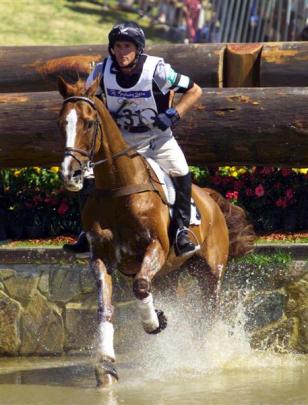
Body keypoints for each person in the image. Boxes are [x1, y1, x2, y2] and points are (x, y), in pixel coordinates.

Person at [63, 21, 202, 257]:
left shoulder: (157, 70)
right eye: (117, 46)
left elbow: (195, 90)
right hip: (121, 141)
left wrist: (174, 113)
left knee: (180, 170)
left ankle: (181, 231)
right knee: (88, 176)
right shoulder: (101, 71)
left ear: (138, 49)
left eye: (127, 46)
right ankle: (87, 234)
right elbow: (86, 99)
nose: (122, 52)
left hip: (157, 138)